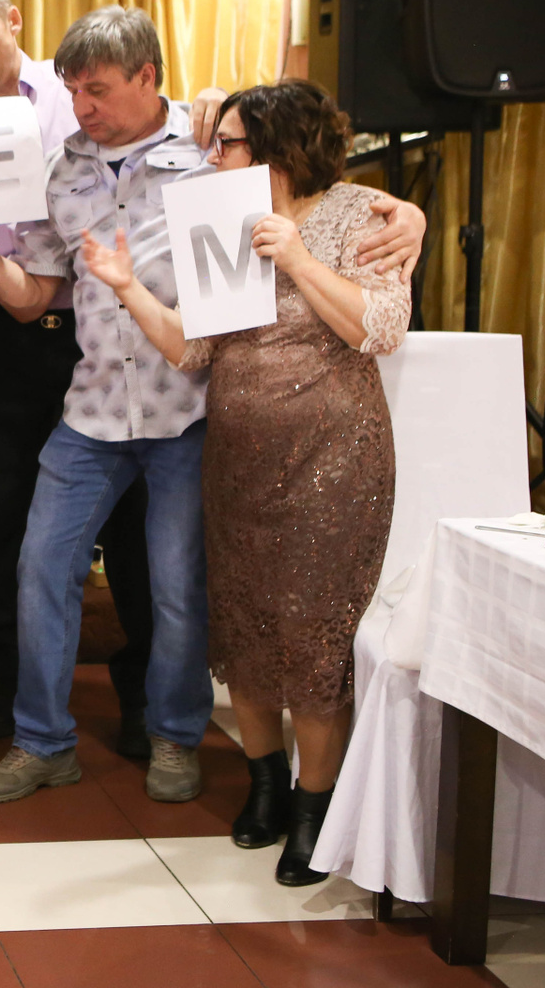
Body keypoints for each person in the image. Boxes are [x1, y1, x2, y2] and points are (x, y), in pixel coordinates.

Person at [80, 80, 410, 884]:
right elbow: (192, 349)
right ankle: (264, 788)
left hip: (334, 460)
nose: (214, 155)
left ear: (276, 146)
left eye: (226, 143)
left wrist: (296, 258)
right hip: (238, 461)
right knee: (247, 630)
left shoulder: (360, 213)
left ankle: (314, 808)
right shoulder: (221, 219)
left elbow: (381, 328)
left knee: (313, 635)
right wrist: (127, 286)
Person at [0, 0, 158, 751]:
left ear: (14, 21)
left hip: (102, 329)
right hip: (8, 337)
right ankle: (14, 682)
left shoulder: (72, 97)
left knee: (131, 523)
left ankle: (142, 693)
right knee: (2, 520)